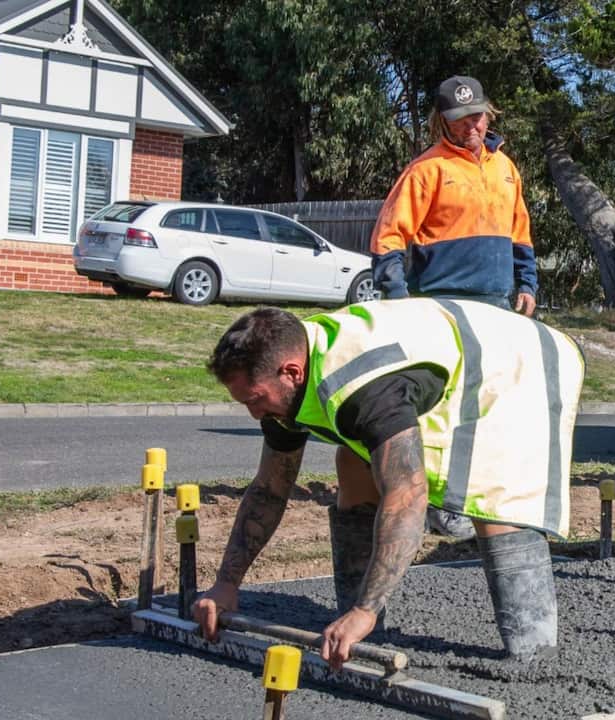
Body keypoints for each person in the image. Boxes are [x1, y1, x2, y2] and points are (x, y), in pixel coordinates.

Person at [192, 300, 584, 666]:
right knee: (353, 461)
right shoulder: (289, 368)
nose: (253, 413)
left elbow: (407, 495)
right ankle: (357, 632)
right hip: (448, 361)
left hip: (515, 364)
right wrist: (227, 584)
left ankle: (535, 654)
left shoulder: (363, 391)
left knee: (495, 496)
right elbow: (270, 487)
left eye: (255, 400)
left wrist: (366, 609)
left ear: (292, 372)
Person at [370, 75, 538, 539]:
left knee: (488, 406)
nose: (472, 125)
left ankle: (483, 499)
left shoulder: (506, 168)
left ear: (490, 113)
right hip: (441, 305)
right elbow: (388, 236)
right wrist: (397, 296)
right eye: (460, 119)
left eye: (478, 116)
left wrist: (527, 283)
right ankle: (442, 504)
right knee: (445, 409)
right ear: (442, 122)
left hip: (498, 304)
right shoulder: (425, 170)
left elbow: (519, 232)